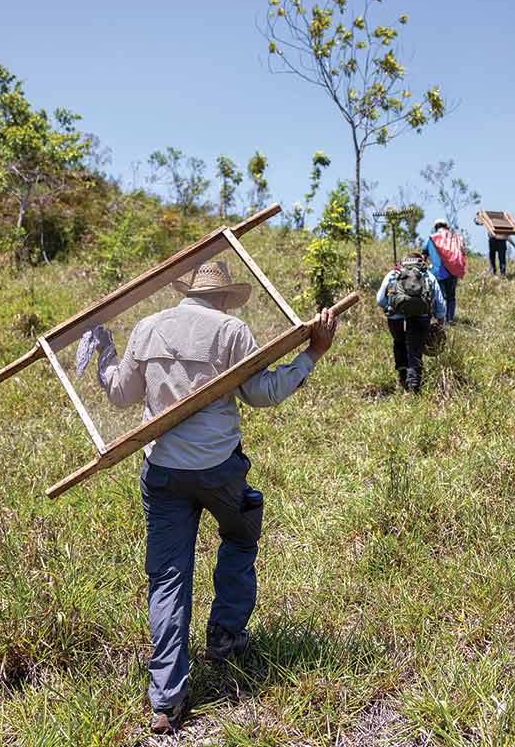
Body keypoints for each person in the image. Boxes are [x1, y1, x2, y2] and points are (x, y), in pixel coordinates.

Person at [76, 261, 338, 735]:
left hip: (164, 472)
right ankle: (225, 636)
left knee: (169, 578)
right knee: (240, 538)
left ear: (187, 292)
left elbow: (120, 394)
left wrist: (106, 354)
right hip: (219, 469)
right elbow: (265, 393)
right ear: (222, 298)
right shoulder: (232, 331)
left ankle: (167, 700)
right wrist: (313, 353)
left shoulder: (148, 327)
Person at [375, 251, 446, 393]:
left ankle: (402, 379)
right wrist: (440, 319)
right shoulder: (428, 275)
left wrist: (390, 308)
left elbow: (380, 300)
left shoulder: (393, 274)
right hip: (421, 316)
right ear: (421, 261)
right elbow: (439, 302)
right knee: (415, 351)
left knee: (399, 343)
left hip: (395, 318)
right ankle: (414, 389)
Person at [423, 219, 465, 323]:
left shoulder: (431, 238)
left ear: (436, 227)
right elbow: (462, 252)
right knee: (451, 297)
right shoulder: (455, 238)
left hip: (436, 273)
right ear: (447, 227)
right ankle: (449, 319)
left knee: (438, 297)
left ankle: (439, 321)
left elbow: (424, 255)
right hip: (452, 271)